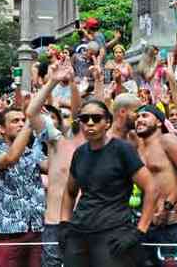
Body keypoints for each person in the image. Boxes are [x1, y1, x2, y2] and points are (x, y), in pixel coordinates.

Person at [60, 100, 158, 267]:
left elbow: (152, 188)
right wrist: (63, 224)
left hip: (113, 234)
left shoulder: (122, 149)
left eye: (96, 118)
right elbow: (70, 192)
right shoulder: (80, 153)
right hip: (78, 233)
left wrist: (139, 231)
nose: (90, 123)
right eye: (84, 119)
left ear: (107, 123)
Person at [26, 56, 84, 267]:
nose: (69, 117)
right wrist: (52, 81)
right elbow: (31, 112)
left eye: (71, 115)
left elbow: (80, 114)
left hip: (83, 224)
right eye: (64, 114)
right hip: (54, 224)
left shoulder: (87, 144)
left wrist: (73, 83)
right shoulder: (54, 141)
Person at [135, 105, 177, 266]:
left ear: (158, 122)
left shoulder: (167, 140)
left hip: (175, 225)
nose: (139, 120)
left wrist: (168, 205)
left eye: (145, 116)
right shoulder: (137, 149)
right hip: (148, 226)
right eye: (137, 117)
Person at [0, 107, 46, 267]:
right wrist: (30, 122)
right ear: (2, 129)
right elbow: (10, 158)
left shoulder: (33, 153)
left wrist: (50, 135)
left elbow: (54, 167)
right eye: (15, 121)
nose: (21, 124)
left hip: (36, 229)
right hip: (9, 233)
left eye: (23, 120)